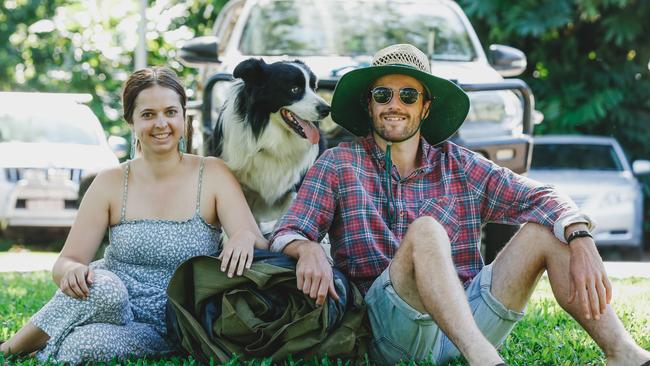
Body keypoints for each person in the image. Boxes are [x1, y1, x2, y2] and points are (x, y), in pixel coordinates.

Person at [270, 44, 650, 366]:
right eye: (383, 95)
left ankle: (623, 353)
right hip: (389, 328)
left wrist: (581, 237)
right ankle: (484, 359)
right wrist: (305, 247)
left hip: (468, 318)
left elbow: (542, 197)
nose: (394, 105)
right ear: (368, 105)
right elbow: (288, 230)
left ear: (426, 107)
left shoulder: (459, 163)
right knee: (427, 230)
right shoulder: (339, 163)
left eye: (408, 95)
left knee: (547, 228)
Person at [0, 67, 268, 364]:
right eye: (148, 114)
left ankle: (57, 340)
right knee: (106, 289)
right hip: (107, 298)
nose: (161, 123)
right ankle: (10, 349)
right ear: (131, 121)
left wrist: (243, 236)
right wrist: (72, 271)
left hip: (171, 322)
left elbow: (258, 244)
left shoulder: (213, 173)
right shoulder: (111, 181)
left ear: (183, 116)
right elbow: (66, 261)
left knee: (79, 348)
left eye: (170, 112)